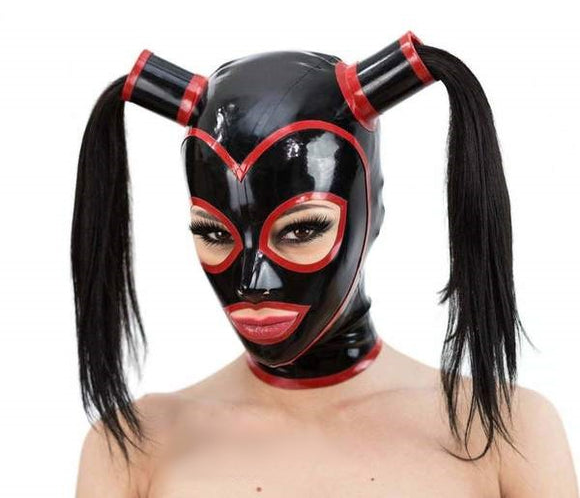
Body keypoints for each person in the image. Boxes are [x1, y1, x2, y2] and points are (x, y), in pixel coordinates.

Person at [72, 32, 578, 496]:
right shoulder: (133, 446)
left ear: (371, 210)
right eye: (214, 234)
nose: (251, 281)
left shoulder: (508, 431)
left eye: (301, 230)